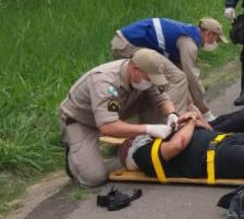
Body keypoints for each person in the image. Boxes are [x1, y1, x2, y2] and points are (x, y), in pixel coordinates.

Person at [58, 49, 200, 186]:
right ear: (134, 69)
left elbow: (161, 98)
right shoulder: (105, 82)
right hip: (82, 120)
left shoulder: (145, 74)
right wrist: (148, 129)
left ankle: (135, 146)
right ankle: (74, 152)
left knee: (151, 100)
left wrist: (172, 114)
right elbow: (107, 127)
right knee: (94, 178)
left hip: (117, 110)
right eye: (148, 78)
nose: (150, 82)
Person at [111, 17, 227, 121]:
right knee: (178, 78)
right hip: (128, 46)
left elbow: (180, 68)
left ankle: (147, 123)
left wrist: (190, 103)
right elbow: (191, 77)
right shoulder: (189, 42)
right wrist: (204, 110)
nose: (216, 43)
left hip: (123, 42)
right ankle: (173, 120)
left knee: (153, 85)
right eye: (216, 39)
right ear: (208, 33)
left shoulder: (187, 32)